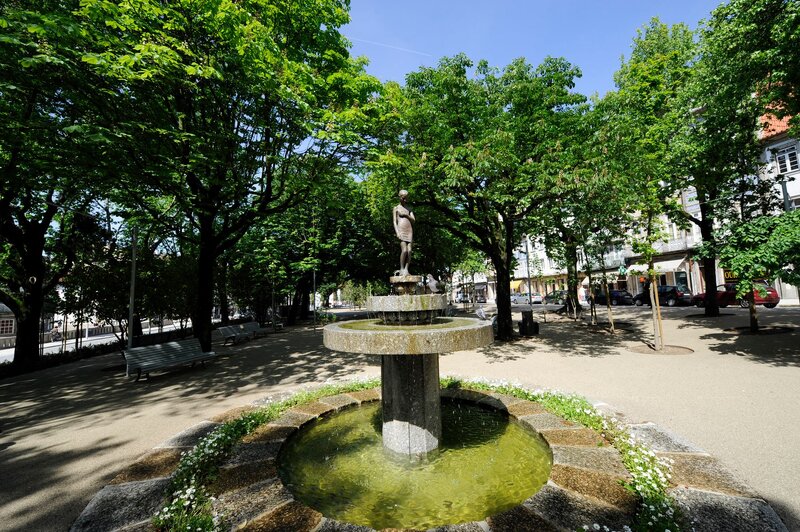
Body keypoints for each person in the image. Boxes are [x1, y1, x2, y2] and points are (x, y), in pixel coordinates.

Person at [393, 189, 415, 275]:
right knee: (404, 250)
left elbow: (413, 220)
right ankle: (401, 268)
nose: (405, 200)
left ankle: (406, 269)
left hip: (409, 230)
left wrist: (406, 215)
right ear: (400, 197)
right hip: (401, 230)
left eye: (406, 198)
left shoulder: (409, 209)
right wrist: (397, 232)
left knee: (409, 251)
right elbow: (394, 221)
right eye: (403, 198)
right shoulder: (396, 208)